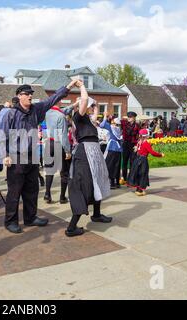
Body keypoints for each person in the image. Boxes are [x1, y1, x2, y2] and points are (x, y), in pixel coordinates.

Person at [0, 81, 77, 234]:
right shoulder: (11, 113)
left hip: (32, 156)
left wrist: (69, 86)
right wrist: (5, 155)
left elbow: (53, 99)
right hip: (16, 157)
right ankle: (10, 221)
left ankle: (30, 217)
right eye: (26, 94)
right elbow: (2, 135)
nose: (30, 96)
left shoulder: (36, 110)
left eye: (31, 94)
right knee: (14, 192)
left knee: (32, 190)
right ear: (18, 96)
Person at [66, 81, 112, 237]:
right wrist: (81, 87)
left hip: (94, 152)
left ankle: (97, 214)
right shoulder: (78, 117)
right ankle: (71, 227)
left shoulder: (88, 120)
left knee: (98, 180)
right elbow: (84, 101)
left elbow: (94, 113)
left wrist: (97, 105)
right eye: (89, 106)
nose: (91, 109)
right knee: (85, 186)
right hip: (84, 154)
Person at [43, 103, 72, 204]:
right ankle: (62, 197)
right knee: (64, 172)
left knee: (49, 170)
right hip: (59, 143)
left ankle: (47, 194)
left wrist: (75, 104)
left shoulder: (47, 113)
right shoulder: (61, 116)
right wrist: (68, 151)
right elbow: (63, 136)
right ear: (59, 104)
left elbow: (65, 109)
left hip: (49, 142)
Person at [127, 129, 164, 196]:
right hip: (143, 160)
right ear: (146, 136)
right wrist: (160, 155)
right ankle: (140, 190)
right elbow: (152, 153)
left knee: (137, 173)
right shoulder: (146, 143)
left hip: (137, 159)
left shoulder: (139, 142)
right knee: (143, 174)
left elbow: (137, 150)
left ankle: (138, 189)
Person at [100, 112, 123, 189]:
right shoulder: (119, 129)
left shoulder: (111, 127)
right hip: (118, 149)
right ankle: (117, 182)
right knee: (117, 166)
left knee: (110, 165)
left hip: (112, 148)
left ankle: (112, 182)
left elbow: (102, 125)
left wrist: (105, 117)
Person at [120, 111, 140, 185]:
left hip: (133, 145)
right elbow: (119, 120)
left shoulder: (137, 125)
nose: (129, 118)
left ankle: (130, 179)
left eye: (130, 117)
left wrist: (137, 145)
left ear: (134, 118)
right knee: (124, 161)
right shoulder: (124, 124)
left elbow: (139, 135)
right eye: (128, 117)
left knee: (132, 162)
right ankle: (124, 178)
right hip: (125, 144)